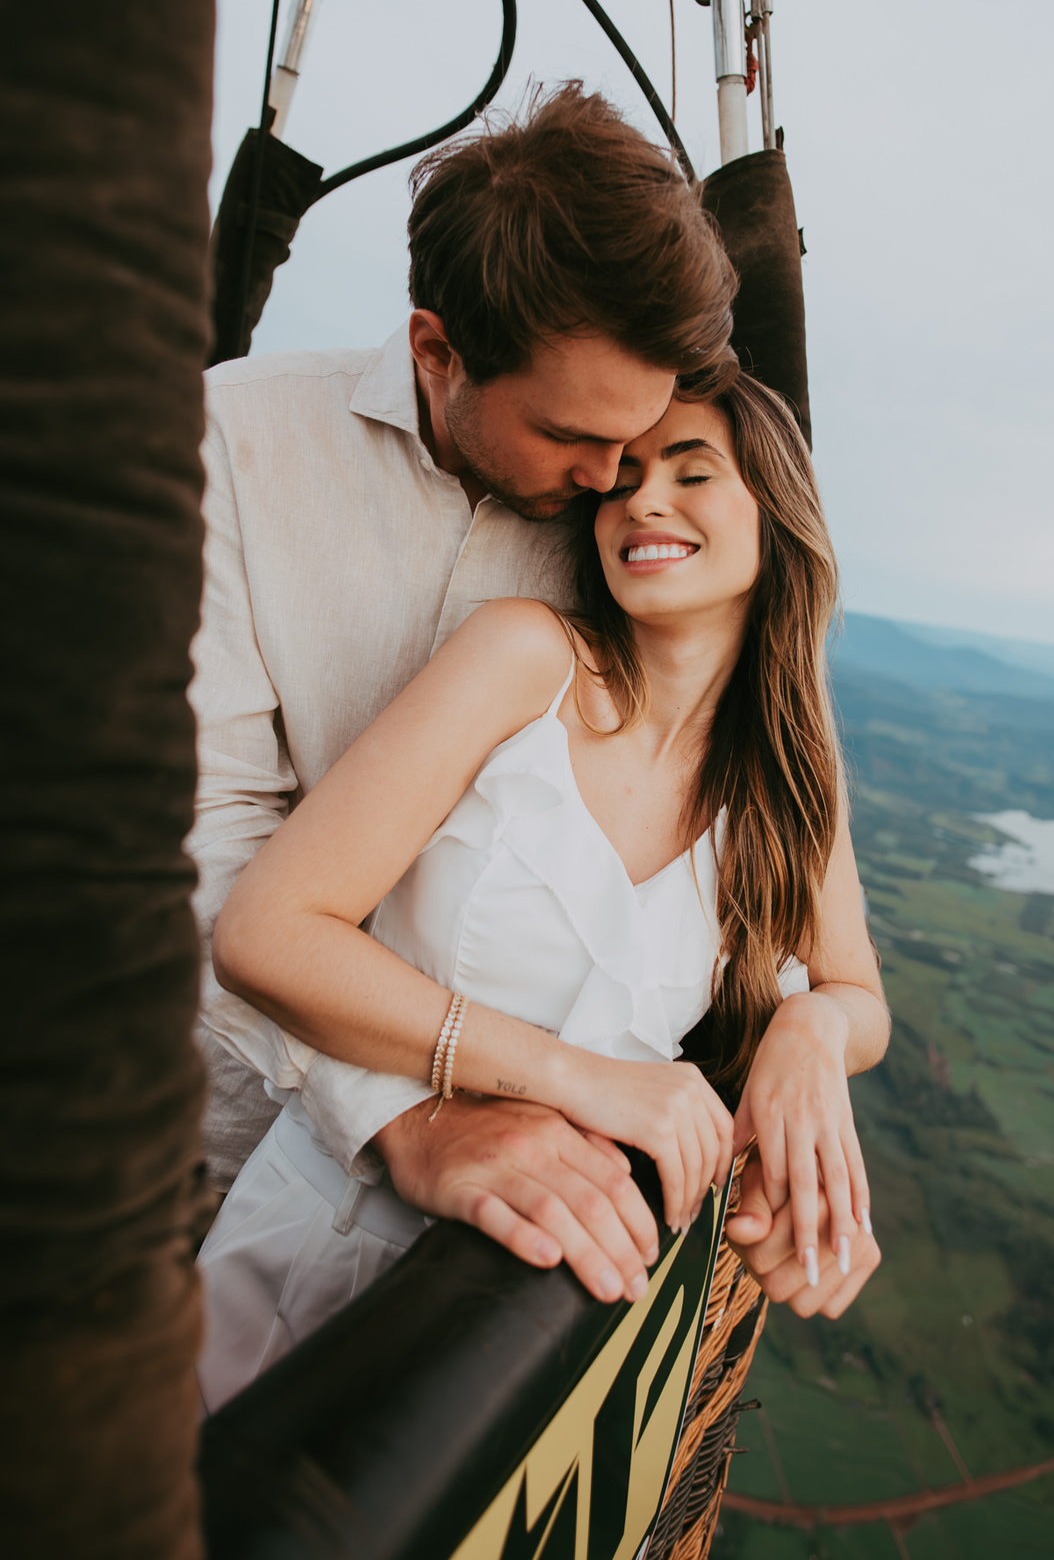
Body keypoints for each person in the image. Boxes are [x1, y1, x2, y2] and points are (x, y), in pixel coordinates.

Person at [190, 83, 882, 1327]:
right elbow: (213, 855)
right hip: (202, 1129)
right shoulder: (234, 445)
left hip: (518, 1236)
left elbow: (761, 798)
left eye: (651, 443)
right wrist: (412, 1114)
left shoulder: (630, 540)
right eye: (580, 439)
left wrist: (810, 1030)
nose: (618, 481)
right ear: (437, 352)